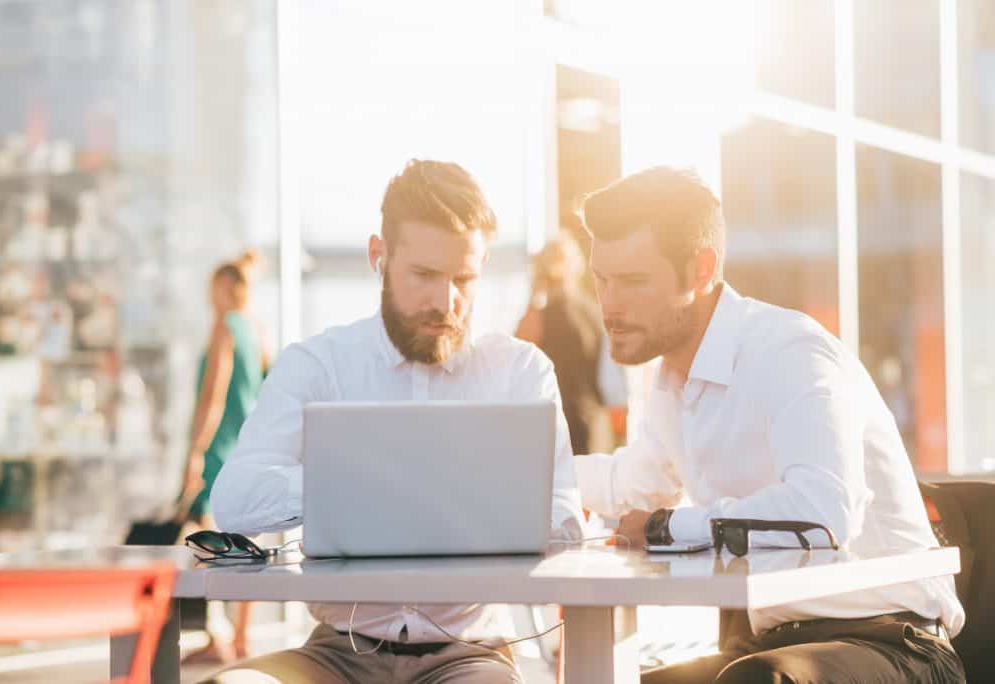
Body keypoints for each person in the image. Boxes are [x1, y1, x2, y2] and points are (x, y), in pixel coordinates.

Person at [572, 167, 966, 683]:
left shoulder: (789, 353)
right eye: (601, 280)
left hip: (894, 644)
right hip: (777, 645)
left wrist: (666, 527)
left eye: (633, 281)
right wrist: (528, 474)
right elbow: (630, 485)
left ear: (700, 270)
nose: (609, 305)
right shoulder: (671, 382)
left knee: (758, 680)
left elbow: (822, 513)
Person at [204, 159, 585, 683]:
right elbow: (234, 500)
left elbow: (565, 522)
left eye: (464, 279)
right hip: (334, 655)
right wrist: (362, 488)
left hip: (468, 655)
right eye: (424, 275)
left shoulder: (521, 372)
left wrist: (450, 498)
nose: (445, 301)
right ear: (378, 257)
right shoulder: (318, 365)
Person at [182, 250, 270, 664]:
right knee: (248, 544)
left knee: (203, 543)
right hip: (250, 449)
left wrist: (196, 451)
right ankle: (241, 637)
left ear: (222, 288)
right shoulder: (257, 329)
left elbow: (212, 396)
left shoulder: (225, 327)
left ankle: (215, 633)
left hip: (220, 451)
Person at [516, 233, 610, 454]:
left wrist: (534, 292)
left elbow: (517, 353)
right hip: (592, 417)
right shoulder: (593, 311)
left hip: (557, 421)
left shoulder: (544, 314)